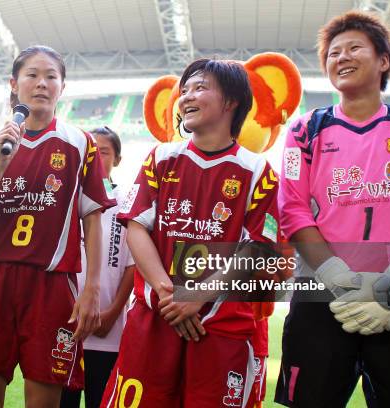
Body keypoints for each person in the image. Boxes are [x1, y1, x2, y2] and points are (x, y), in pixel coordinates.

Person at [101, 58, 281, 407]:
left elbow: (260, 248)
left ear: (231, 101)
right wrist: (170, 295)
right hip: (157, 316)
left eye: (200, 88)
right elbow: (136, 226)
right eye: (184, 90)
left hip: (222, 325)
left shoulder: (258, 172)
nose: (186, 97)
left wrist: (198, 296)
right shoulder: (161, 157)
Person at [0, 45, 116, 407]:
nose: (41, 83)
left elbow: (93, 218)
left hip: (53, 284)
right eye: (32, 75)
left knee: (43, 401)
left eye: (51, 76)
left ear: (62, 86)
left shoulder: (80, 143)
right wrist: (0, 162)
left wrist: (91, 288)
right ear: (14, 84)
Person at [274, 11, 390, 407]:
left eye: (354, 47)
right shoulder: (304, 130)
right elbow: (292, 210)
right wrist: (340, 279)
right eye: (333, 53)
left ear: (384, 61)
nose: (341, 57)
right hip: (321, 296)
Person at [60, 126, 135, 408]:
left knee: (100, 401)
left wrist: (114, 312)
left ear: (117, 159)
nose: (95, 157)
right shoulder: (64, 196)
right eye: (89, 151)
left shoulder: (127, 200)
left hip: (108, 330)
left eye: (103, 152)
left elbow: (132, 263)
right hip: (65, 325)